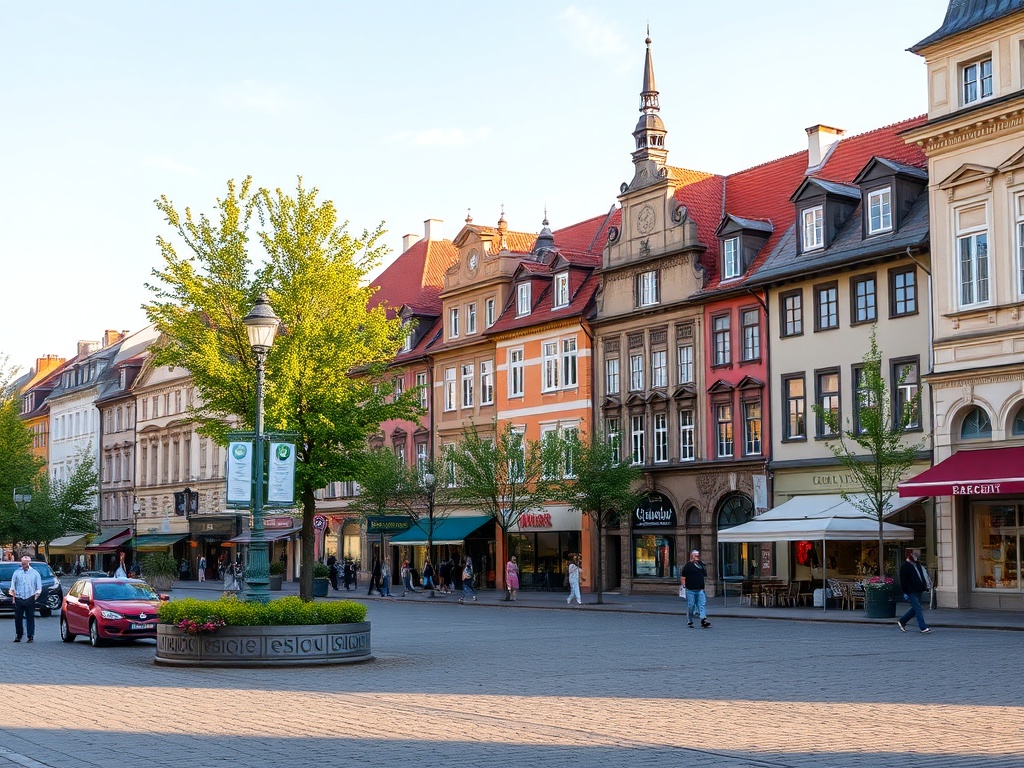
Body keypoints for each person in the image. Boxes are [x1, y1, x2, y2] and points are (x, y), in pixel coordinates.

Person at [897, 549, 931, 633]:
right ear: (909, 555)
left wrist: (925, 586)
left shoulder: (917, 565)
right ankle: (923, 627)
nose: (915, 556)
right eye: (913, 555)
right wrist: (905, 591)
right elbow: (903, 581)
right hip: (911, 591)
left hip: (919, 589)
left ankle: (902, 621)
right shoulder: (905, 566)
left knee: (915, 608)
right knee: (918, 608)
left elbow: (921, 576)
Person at [8, 556, 42, 643]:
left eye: (24, 563)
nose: (22, 564)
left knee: (30, 617)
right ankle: (19, 635)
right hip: (19, 598)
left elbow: (38, 587)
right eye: (22, 563)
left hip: (30, 597)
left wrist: (35, 596)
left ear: (28, 563)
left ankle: (30, 636)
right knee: (18, 618)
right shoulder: (17, 573)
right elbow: (13, 585)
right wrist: (14, 596)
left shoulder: (35, 573)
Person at [681, 549, 710, 628]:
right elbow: (683, 577)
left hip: (700, 590)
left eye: (698, 555)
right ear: (692, 556)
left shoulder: (701, 565)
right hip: (690, 590)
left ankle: (704, 619)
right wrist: (684, 586)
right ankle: (690, 620)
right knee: (691, 605)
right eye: (696, 556)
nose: (698, 557)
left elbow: (704, 575)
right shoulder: (688, 565)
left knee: (702, 605)